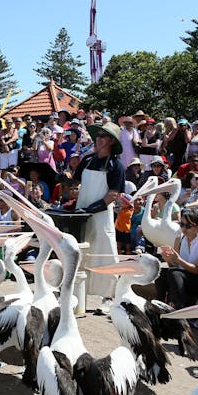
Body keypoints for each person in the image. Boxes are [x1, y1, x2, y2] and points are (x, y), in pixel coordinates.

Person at [73, 121, 125, 311]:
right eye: (98, 135)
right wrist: (69, 186)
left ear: (111, 141)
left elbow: (112, 195)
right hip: (81, 214)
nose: (99, 139)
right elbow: (75, 183)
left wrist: (90, 210)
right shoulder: (86, 160)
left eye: (103, 136)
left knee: (105, 255)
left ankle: (108, 297)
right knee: (80, 253)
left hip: (101, 216)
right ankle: (78, 295)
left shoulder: (116, 166)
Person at [157, 210, 198, 309]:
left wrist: (178, 260)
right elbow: (174, 267)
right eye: (182, 224)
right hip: (182, 276)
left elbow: (197, 269)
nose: (184, 228)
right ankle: (159, 303)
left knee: (174, 274)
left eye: (188, 226)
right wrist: (169, 260)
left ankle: (179, 307)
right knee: (162, 271)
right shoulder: (180, 238)